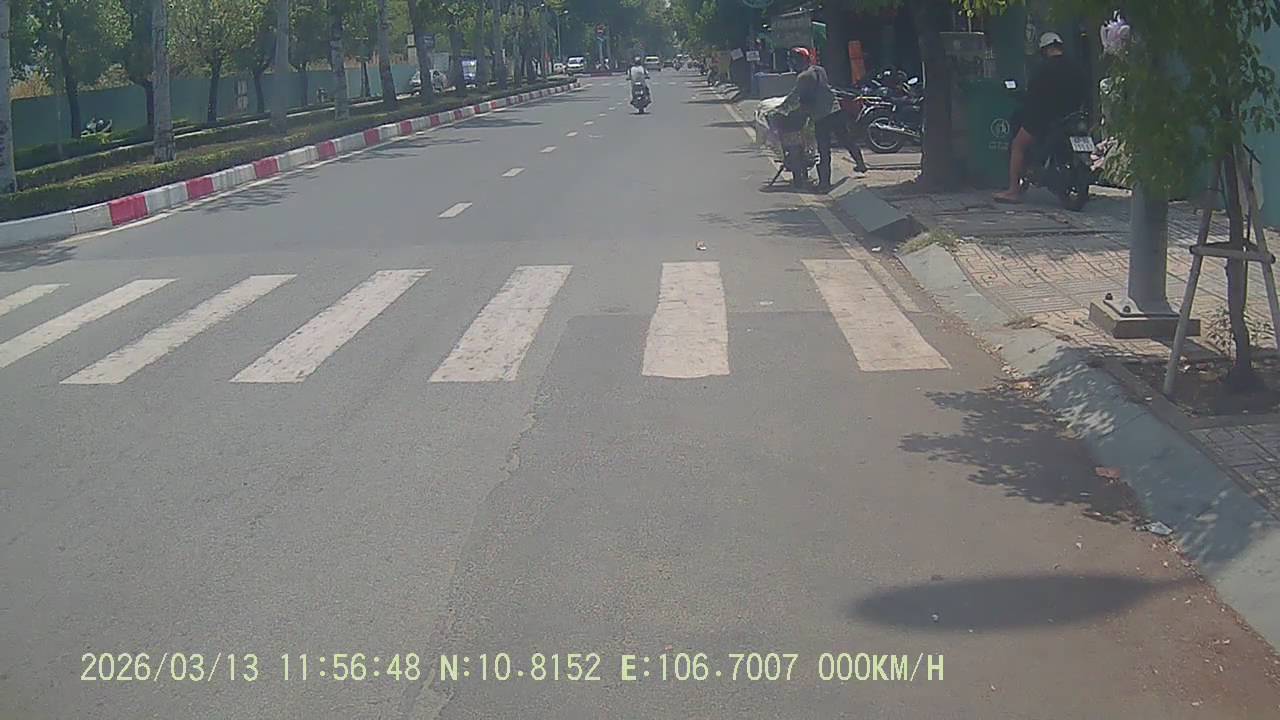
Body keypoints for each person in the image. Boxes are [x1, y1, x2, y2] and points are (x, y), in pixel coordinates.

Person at [994, 32, 1088, 203]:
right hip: (1072, 117)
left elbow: (1033, 95)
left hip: (1044, 118)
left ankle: (1013, 190)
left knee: (1018, 145)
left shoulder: (1043, 69)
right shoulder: (1077, 67)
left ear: (1044, 50)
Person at [785, 46, 868, 190]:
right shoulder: (820, 70)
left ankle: (824, 183)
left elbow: (794, 96)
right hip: (835, 110)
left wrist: (780, 107)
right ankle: (860, 164)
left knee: (824, 149)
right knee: (846, 139)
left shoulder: (803, 77)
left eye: (795, 61)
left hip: (821, 117)